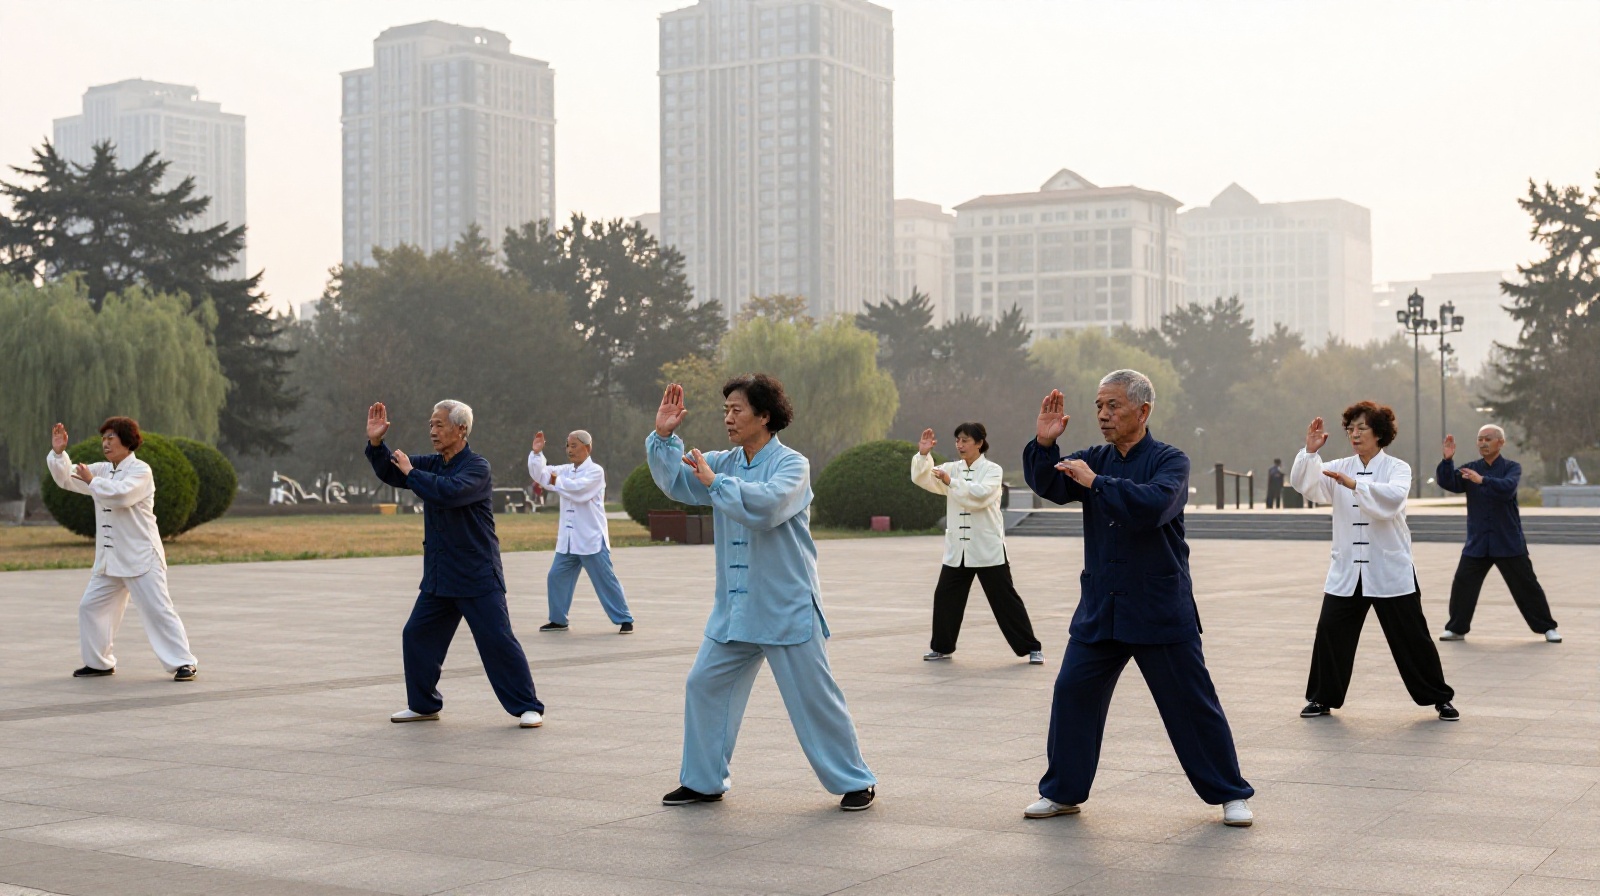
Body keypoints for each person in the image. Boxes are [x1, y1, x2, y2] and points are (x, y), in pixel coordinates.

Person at [1020, 370, 1254, 828]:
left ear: (1143, 411)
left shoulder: (1171, 461)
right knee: (1072, 693)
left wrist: (1097, 484)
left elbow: (1152, 507)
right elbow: (1052, 484)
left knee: (1191, 703)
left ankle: (1230, 794)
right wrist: (1044, 447)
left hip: (1158, 606)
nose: (1104, 415)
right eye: (1099, 407)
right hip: (1101, 607)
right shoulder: (1092, 458)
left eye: (1114, 406)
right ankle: (1063, 792)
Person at [647, 376, 877, 812]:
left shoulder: (792, 465)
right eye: (725, 411)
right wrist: (664, 436)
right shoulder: (721, 461)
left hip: (785, 605)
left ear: (765, 415)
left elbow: (767, 507)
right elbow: (676, 481)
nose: (729, 418)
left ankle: (855, 780)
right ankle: (703, 780)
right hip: (735, 609)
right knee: (704, 685)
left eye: (737, 410)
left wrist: (716, 484)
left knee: (814, 698)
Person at [365, 400, 544, 729]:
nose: (433, 431)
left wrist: (412, 473)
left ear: (461, 429)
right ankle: (423, 705)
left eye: (439, 425)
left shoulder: (477, 467)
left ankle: (527, 706)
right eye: (430, 425)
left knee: (497, 640)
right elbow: (392, 470)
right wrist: (377, 443)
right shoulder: (432, 464)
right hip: (440, 575)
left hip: (477, 574)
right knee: (416, 635)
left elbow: (447, 492)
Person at [1292, 402, 1459, 723]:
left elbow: (1392, 499)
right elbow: (1308, 487)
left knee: (1412, 638)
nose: (1354, 434)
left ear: (1379, 433)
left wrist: (1354, 484)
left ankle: (1439, 699)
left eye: (1361, 428)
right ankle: (1321, 698)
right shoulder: (1338, 465)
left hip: (1389, 569)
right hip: (1347, 570)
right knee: (1330, 633)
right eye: (1350, 429)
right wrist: (1310, 454)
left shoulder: (1397, 468)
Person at [46, 418, 198, 682]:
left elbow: (121, 496)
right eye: (103, 438)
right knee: (90, 608)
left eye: (111, 437)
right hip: (110, 560)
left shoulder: (141, 471)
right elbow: (68, 479)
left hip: (141, 557)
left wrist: (92, 482)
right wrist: (59, 454)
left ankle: (183, 662)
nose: (105, 443)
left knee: (157, 610)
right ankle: (99, 663)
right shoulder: (102, 470)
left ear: (127, 440)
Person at [911, 422, 1043, 664]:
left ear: (979, 443)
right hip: (958, 550)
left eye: (965, 440)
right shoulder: (951, 468)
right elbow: (924, 478)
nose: (959, 445)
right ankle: (942, 647)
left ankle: (1031, 648)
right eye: (957, 440)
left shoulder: (993, 470)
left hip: (987, 549)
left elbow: (980, 496)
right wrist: (923, 454)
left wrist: (952, 482)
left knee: (1005, 601)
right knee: (945, 597)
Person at [1436, 425, 1560, 643]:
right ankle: (1456, 628)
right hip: (1478, 541)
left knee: (1527, 586)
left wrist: (1482, 480)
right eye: (1480, 439)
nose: (1483, 443)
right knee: (1463, 584)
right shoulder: (1470, 468)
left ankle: (1547, 627)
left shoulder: (1512, 468)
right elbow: (1449, 482)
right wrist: (1447, 461)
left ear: (1501, 442)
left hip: (1508, 541)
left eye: (1488, 439)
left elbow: (1507, 488)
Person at [528, 429, 635, 634]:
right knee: (556, 576)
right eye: (567, 446)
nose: (569, 450)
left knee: (605, 580)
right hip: (568, 540)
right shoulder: (566, 470)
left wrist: (553, 481)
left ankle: (624, 618)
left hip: (590, 539)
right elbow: (541, 475)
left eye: (574, 445)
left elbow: (578, 491)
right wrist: (536, 454)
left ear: (587, 447)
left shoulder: (596, 472)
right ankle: (558, 620)